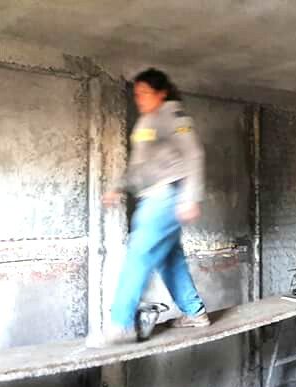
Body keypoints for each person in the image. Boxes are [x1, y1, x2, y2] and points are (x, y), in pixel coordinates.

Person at [87, 68, 209, 347]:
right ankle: (195, 313)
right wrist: (119, 186)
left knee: (139, 253)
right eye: (137, 94)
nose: (139, 99)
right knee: (170, 259)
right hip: (153, 196)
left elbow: (193, 154)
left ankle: (121, 324)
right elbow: (139, 166)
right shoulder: (145, 123)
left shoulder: (173, 116)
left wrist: (190, 197)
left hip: (166, 195)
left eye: (145, 93)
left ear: (161, 93)